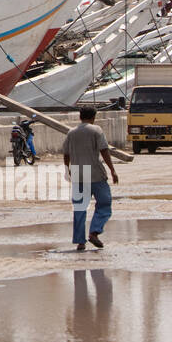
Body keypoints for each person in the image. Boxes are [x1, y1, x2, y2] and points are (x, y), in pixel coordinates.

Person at [63, 106, 118, 251]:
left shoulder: (71, 133)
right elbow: (104, 150)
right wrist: (112, 170)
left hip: (78, 175)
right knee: (105, 203)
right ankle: (94, 231)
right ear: (93, 117)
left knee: (80, 208)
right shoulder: (96, 130)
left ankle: (80, 242)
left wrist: (67, 169)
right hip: (96, 174)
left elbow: (66, 153)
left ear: (80, 117)